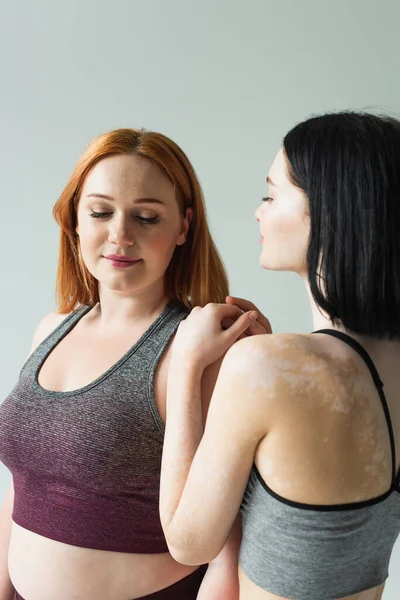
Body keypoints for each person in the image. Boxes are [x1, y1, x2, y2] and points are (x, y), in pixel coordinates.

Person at [0, 127, 269, 600]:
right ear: (75, 220)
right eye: (101, 212)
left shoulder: (206, 353)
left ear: (183, 227)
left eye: (146, 217)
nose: (119, 235)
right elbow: (23, 489)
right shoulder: (50, 330)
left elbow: (230, 545)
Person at [159, 111, 400, 600]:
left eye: (272, 194)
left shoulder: (268, 366)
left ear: (330, 209)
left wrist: (187, 362)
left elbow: (188, 542)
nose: (258, 212)